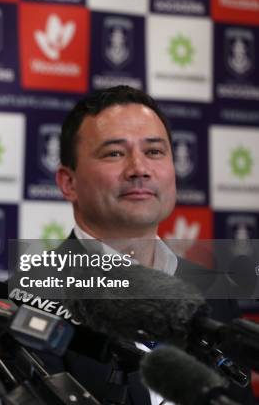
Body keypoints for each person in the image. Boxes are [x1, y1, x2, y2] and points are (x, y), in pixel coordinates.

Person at [48, 85, 253, 404]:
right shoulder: (30, 300)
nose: (139, 169)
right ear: (69, 182)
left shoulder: (216, 294)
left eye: (154, 151)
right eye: (114, 153)